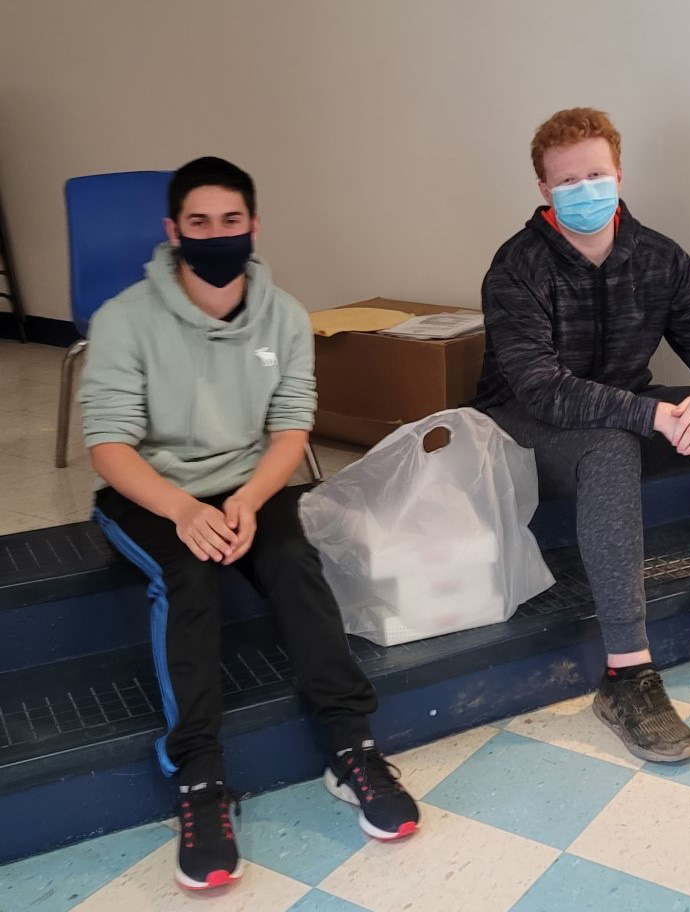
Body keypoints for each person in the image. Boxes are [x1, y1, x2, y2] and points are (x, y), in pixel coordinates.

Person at [79, 157, 419, 891]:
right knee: (189, 580)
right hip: (151, 494)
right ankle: (199, 782)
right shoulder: (122, 321)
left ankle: (350, 745)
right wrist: (183, 508)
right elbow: (107, 444)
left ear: (254, 227)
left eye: (230, 221)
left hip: (248, 486)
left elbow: (291, 429)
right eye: (198, 223)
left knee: (296, 563)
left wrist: (247, 501)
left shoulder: (285, 317)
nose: (216, 235)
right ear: (173, 232)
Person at [474, 108, 690, 764]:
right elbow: (540, 387)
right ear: (545, 191)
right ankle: (625, 675)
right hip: (525, 427)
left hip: (624, 416)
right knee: (611, 444)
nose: (585, 189)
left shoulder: (657, 256)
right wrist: (659, 416)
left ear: (618, 173)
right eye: (568, 181)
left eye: (596, 174)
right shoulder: (516, 267)